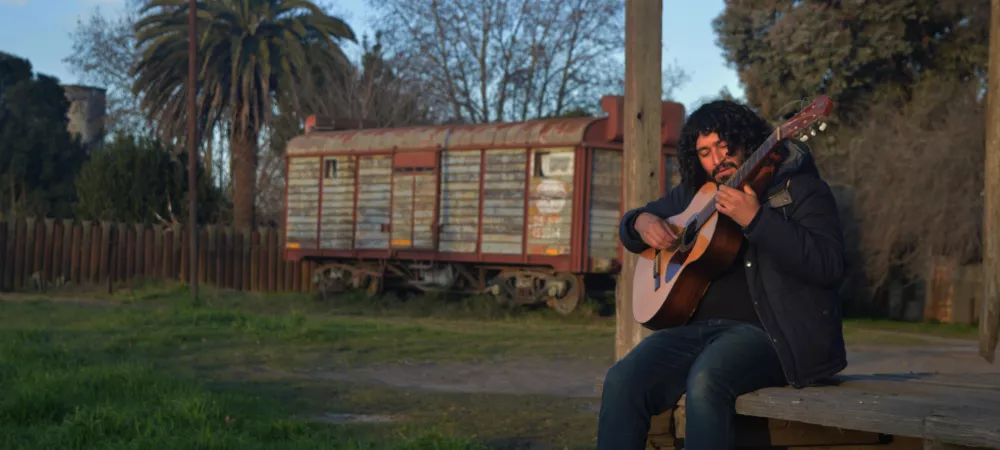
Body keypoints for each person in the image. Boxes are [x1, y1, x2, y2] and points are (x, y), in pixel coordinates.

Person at [597, 100, 847, 449]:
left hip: (773, 335)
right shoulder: (696, 195)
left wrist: (758, 220)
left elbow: (830, 265)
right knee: (622, 379)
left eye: (724, 145)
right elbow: (634, 224)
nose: (717, 159)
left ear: (747, 140)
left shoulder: (800, 190)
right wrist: (641, 223)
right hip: (697, 332)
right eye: (704, 152)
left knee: (707, 380)